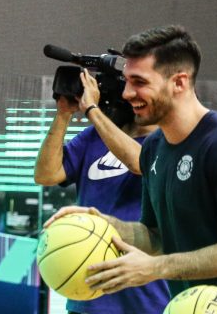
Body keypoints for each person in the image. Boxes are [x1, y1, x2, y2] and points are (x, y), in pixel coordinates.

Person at [46, 25, 217, 298]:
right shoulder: (153, 147)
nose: (127, 93)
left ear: (179, 83)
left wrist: (156, 268)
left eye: (139, 82)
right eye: (127, 81)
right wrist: (104, 224)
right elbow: (156, 236)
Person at [34, 68, 170, 313]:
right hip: (88, 294)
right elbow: (46, 174)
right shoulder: (94, 137)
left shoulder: (168, 142)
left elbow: (139, 163)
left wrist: (92, 110)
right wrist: (64, 114)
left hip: (145, 299)